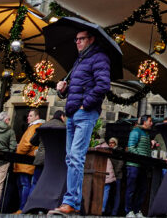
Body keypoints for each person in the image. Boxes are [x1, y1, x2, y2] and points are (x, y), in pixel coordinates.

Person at [52, 26, 112, 215]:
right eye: (76, 39)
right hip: (72, 113)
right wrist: (63, 90)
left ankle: (71, 202)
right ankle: (72, 201)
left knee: (76, 157)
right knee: (70, 158)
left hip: (84, 114)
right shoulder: (79, 61)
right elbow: (78, 88)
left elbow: (103, 85)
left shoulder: (99, 58)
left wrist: (84, 105)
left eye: (81, 39)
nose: (77, 42)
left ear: (91, 39)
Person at [125, 114, 154, 218]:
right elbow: (131, 147)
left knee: (142, 188)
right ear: (144, 122)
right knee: (131, 188)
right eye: (150, 121)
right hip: (133, 165)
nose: (151, 123)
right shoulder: (135, 132)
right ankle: (129, 211)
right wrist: (143, 158)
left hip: (142, 165)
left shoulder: (146, 134)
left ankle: (137, 210)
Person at [14, 108, 44, 209]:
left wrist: (18, 152)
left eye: (31, 116)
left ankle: (23, 208)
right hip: (26, 161)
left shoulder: (33, 127)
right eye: (28, 115)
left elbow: (27, 143)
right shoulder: (34, 127)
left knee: (24, 185)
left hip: (25, 161)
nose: (28, 118)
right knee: (25, 184)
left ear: (37, 117)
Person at [33, 109, 66, 186]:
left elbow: (32, 141)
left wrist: (41, 144)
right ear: (62, 116)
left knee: (35, 183)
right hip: (54, 160)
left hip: (40, 159)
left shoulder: (43, 125)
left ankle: (30, 198)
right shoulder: (63, 127)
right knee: (50, 185)